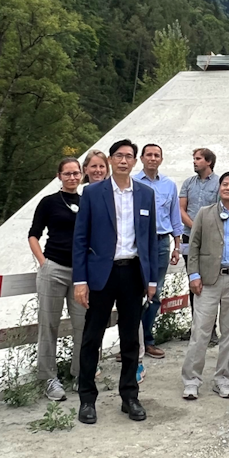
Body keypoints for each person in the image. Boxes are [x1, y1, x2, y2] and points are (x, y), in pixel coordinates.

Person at [73, 139, 159, 424]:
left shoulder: (146, 194)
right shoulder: (92, 193)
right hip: (101, 273)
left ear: (135, 162)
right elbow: (81, 238)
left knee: (130, 337)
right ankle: (87, 398)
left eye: (129, 157)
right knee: (92, 337)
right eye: (119, 156)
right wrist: (80, 280)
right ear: (110, 160)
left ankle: (130, 396)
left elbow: (148, 239)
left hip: (133, 272)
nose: (124, 161)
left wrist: (152, 279)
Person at [181, 172, 229, 400]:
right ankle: (191, 380)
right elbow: (194, 244)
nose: (228, 187)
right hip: (208, 279)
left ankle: (223, 379)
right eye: (224, 184)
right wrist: (194, 275)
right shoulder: (204, 213)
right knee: (200, 331)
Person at [29, 157, 86, 402]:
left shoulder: (87, 203)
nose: (72, 177)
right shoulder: (48, 202)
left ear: (81, 175)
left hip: (81, 274)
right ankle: (49, 378)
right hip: (54, 267)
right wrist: (43, 263)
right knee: (48, 325)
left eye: (76, 173)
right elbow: (33, 234)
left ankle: (80, 373)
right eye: (67, 173)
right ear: (59, 176)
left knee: (82, 325)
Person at [134, 144, 183, 360]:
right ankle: (131, 343)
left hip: (162, 242)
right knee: (134, 292)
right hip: (139, 242)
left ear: (161, 159)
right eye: (149, 155)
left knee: (156, 292)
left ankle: (148, 339)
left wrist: (177, 245)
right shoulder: (133, 182)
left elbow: (175, 216)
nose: (153, 158)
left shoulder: (169, 185)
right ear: (142, 158)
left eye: (157, 155)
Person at [179, 147, 221, 345]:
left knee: (210, 283)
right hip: (190, 238)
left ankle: (210, 330)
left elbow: (221, 210)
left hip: (211, 239)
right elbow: (181, 208)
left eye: (198, 159)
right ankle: (196, 327)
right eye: (194, 158)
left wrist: (205, 229)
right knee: (193, 281)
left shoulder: (220, 183)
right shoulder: (188, 183)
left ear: (209, 162)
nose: (194, 162)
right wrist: (196, 227)